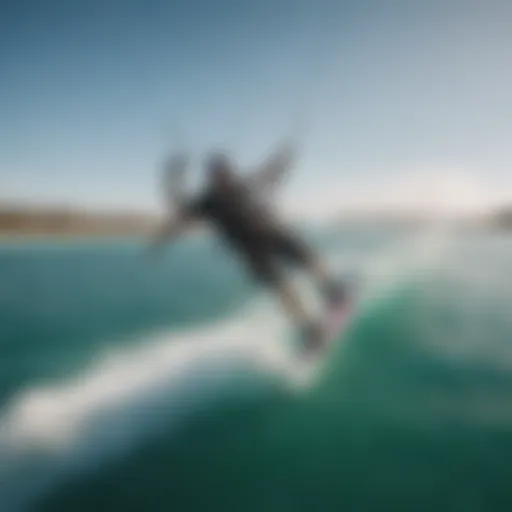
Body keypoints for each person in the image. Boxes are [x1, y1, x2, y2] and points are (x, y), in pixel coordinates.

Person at [149, 142, 347, 353]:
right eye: (217, 174)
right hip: (251, 253)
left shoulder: (243, 184)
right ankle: (309, 329)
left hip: (272, 234)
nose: (223, 177)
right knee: (283, 290)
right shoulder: (206, 202)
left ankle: (330, 288)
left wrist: (283, 157)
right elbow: (180, 214)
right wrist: (172, 176)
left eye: (225, 172)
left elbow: (268, 174)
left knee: (308, 258)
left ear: (230, 171)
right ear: (211, 177)